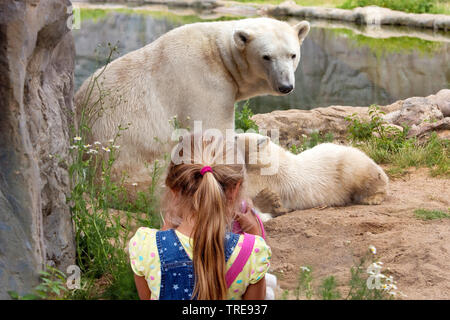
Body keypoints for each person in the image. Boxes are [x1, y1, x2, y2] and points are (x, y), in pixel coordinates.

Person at [129, 132, 271, 300]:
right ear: (235, 189)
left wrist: (168, 222)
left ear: (174, 189)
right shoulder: (253, 252)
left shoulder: (144, 246)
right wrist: (254, 232)